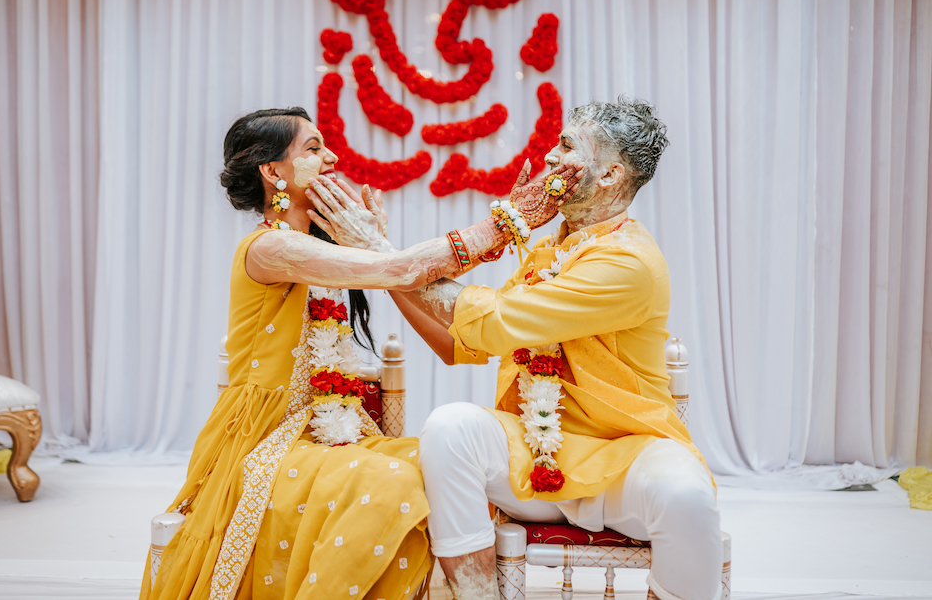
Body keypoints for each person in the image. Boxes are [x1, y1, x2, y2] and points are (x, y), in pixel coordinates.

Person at [140, 107, 580, 600]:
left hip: (332, 436)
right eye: (312, 148)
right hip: (266, 440)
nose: (330, 157)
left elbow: (438, 328)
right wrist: (510, 221)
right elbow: (399, 269)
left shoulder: (324, 252)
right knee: (392, 484)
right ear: (272, 171)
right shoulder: (268, 249)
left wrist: (373, 245)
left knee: (442, 465)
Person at [315, 98, 723, 600]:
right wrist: (385, 266)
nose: (550, 158)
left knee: (687, 494)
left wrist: (380, 256)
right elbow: (454, 343)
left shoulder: (629, 264)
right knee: (451, 428)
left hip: (626, 456)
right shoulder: (552, 251)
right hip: (533, 455)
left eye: (567, 146)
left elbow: (490, 320)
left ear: (612, 173)